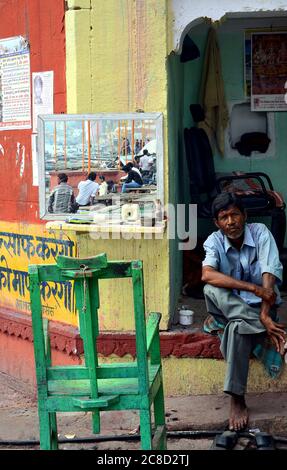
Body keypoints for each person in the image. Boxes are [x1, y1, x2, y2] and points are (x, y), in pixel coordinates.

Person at [201, 192, 286, 432]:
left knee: (237, 328)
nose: (231, 222)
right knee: (210, 288)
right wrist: (252, 288)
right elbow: (207, 274)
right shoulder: (213, 241)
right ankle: (263, 328)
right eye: (224, 217)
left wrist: (264, 310)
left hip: (260, 310)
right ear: (217, 223)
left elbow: (270, 272)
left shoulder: (260, 233)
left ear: (245, 216)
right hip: (232, 307)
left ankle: (237, 399)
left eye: (235, 214)